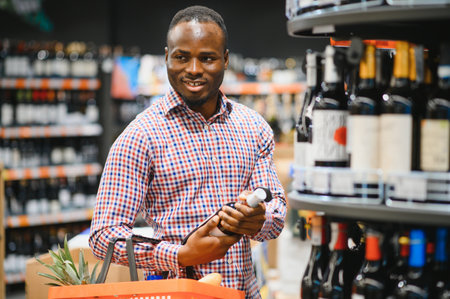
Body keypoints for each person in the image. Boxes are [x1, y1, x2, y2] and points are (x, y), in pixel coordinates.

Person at [89, 5, 286, 298]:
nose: (194, 70)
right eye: (182, 57)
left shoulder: (253, 127)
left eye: (207, 58)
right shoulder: (140, 136)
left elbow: (275, 209)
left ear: (225, 60)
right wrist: (180, 254)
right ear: (167, 56)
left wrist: (260, 219)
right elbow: (103, 237)